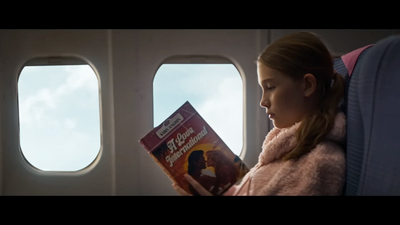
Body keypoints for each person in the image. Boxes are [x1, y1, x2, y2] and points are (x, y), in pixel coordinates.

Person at [173, 31, 347, 196]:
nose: (263, 101)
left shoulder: (319, 162)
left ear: (308, 85)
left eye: (270, 87)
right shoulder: (286, 148)